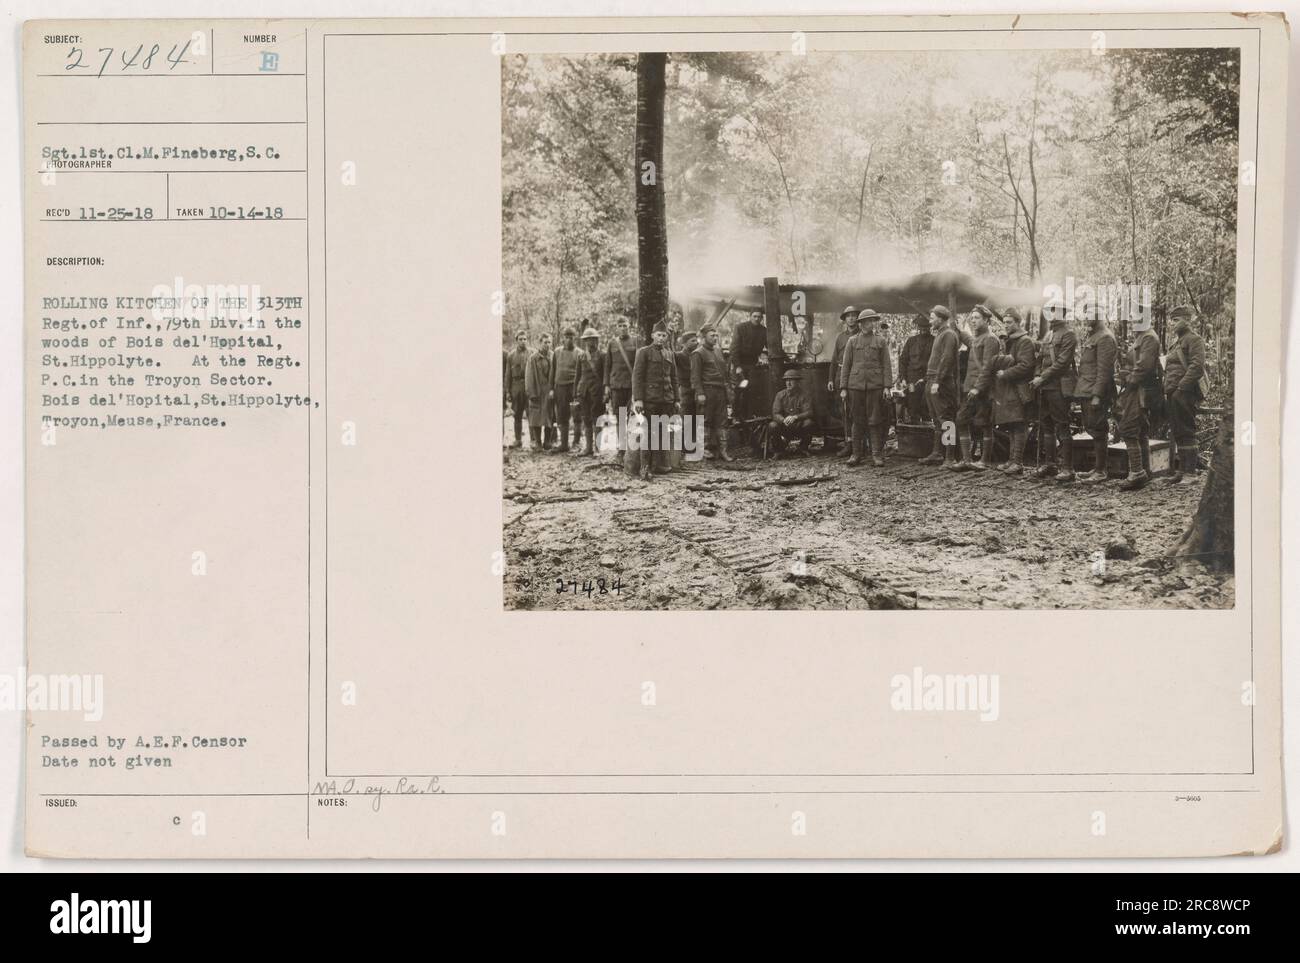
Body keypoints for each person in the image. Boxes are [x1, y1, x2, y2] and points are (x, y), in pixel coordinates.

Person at [1029, 303, 1079, 481]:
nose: (1053, 315)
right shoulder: (1048, 335)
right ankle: (1050, 464)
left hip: (1059, 387)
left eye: (1057, 311)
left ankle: (1067, 468)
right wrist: (1037, 376)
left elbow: (1062, 363)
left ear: (1063, 314)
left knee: (1062, 426)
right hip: (1044, 387)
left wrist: (1042, 378)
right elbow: (1040, 360)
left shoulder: (1069, 334)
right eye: (1051, 311)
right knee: (1046, 425)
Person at [1115, 312, 1164, 491]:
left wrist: (1129, 382)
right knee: (1141, 429)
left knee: (1128, 428)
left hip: (1140, 390)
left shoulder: (1149, 338)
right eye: (1134, 319)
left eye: (1139, 319)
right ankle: (1145, 471)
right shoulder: (1142, 337)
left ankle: (1136, 472)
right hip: (1138, 389)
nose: (1135, 322)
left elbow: (1144, 367)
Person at [839, 307, 892, 467]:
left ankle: (876, 455)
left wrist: (887, 386)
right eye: (868, 321)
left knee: (875, 420)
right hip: (855, 387)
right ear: (861, 324)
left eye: (872, 321)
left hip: (875, 386)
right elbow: (846, 366)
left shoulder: (880, 341)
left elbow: (886, 365)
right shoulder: (852, 341)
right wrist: (843, 387)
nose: (871, 324)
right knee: (857, 421)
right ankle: (856, 454)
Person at [988, 308, 1037, 474]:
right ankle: (1011, 460)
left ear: (1018, 323)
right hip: (1010, 389)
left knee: (1019, 425)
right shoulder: (1011, 341)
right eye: (1005, 323)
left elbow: (1026, 365)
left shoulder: (1024, 341)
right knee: (1011, 425)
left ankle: (1018, 462)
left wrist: (1005, 373)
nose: (1006, 325)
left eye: (1009, 322)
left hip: (1020, 389)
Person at [952, 306, 1002, 471]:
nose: (973, 321)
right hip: (970, 388)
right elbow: (970, 342)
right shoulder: (977, 338)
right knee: (961, 419)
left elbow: (988, 367)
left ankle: (985, 460)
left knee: (985, 423)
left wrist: (978, 388)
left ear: (986, 320)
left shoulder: (991, 339)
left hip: (982, 389)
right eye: (972, 318)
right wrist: (960, 330)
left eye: (977, 318)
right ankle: (967, 460)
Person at [631, 320, 680, 481]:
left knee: (662, 433)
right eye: (658, 335)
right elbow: (637, 377)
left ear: (667, 337)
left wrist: (677, 399)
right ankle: (645, 468)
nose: (661, 338)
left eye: (664, 335)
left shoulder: (669, 354)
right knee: (648, 434)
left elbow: (674, 378)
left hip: (666, 400)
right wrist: (638, 399)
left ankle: (658, 465)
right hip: (650, 400)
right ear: (652, 336)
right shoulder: (644, 352)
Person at [1163, 305, 1206, 482]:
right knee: (1178, 431)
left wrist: (1181, 388)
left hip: (1185, 392)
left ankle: (1190, 473)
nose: (1172, 324)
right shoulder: (1177, 342)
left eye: (1176, 320)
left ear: (1187, 320)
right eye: (1171, 320)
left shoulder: (1194, 340)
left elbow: (1197, 367)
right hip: (1174, 392)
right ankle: (1182, 471)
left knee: (1187, 430)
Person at [1074, 311, 1118, 482]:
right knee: (1092, 428)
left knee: (1098, 430)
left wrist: (1097, 395)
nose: (1086, 317)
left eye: (1090, 314)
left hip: (1095, 390)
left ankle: (1101, 471)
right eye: (1085, 314)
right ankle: (1098, 468)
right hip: (1087, 389)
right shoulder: (1094, 336)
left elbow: (1104, 371)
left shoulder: (1105, 337)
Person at [919, 305, 961, 467]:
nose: (930, 320)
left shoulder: (949, 334)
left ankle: (949, 457)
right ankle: (937, 453)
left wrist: (937, 381)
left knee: (946, 420)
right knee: (936, 420)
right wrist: (927, 379)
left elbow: (947, 360)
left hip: (942, 384)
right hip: (932, 380)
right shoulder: (940, 334)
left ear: (941, 318)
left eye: (932, 317)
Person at [692, 325, 733, 461]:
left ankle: (723, 451)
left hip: (720, 390)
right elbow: (695, 376)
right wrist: (700, 393)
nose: (715, 338)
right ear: (704, 337)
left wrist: (728, 389)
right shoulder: (698, 353)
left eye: (716, 335)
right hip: (707, 390)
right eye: (712, 336)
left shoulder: (718, 351)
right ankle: (704, 449)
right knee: (705, 420)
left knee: (722, 421)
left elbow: (725, 373)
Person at [603, 317, 638, 450]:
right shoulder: (612, 343)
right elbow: (607, 365)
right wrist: (606, 385)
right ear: (616, 328)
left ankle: (630, 445)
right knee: (619, 415)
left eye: (625, 325)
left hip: (631, 385)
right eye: (620, 326)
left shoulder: (635, 341)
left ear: (629, 326)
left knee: (631, 415)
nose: (623, 328)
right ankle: (621, 444)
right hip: (616, 385)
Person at [828, 306, 859, 455]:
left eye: (854, 316)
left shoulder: (862, 335)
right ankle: (849, 444)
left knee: (857, 411)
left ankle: (859, 444)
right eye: (849, 316)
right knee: (844, 412)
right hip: (841, 377)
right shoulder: (840, 337)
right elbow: (834, 360)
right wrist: (831, 379)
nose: (851, 318)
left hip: (857, 376)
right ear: (845, 319)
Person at [730, 309, 767, 421]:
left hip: (752, 364)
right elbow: (734, 348)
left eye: (759, 317)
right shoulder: (740, 327)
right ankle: (736, 415)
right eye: (754, 316)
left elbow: (770, 345)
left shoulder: (763, 331)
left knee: (751, 389)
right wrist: (737, 366)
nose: (757, 319)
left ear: (762, 318)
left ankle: (747, 415)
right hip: (740, 363)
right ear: (750, 316)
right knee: (740, 388)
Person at [550, 326, 582, 453]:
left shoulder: (579, 353)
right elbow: (553, 371)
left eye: (571, 337)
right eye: (566, 337)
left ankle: (577, 442)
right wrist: (551, 388)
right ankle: (564, 444)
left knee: (577, 415)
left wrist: (579, 390)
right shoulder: (557, 352)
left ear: (575, 338)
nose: (569, 340)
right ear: (563, 338)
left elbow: (582, 373)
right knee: (562, 416)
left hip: (574, 388)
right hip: (560, 388)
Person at [899, 314, 935, 423]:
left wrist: (926, 378)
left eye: (926, 326)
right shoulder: (911, 341)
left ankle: (927, 432)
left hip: (927, 379)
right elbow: (903, 361)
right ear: (918, 327)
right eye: (921, 326)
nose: (923, 329)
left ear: (930, 327)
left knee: (926, 407)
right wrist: (903, 378)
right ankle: (914, 432)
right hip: (912, 381)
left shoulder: (935, 341)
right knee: (912, 406)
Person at [574, 325, 604, 456]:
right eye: (587, 340)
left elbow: (605, 376)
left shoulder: (603, 355)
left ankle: (597, 448)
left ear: (597, 341)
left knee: (598, 419)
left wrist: (605, 392)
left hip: (597, 392)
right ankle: (588, 448)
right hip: (583, 392)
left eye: (593, 339)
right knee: (586, 419)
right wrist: (575, 392)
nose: (590, 342)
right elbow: (577, 375)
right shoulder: (581, 356)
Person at [771, 369, 814, 456]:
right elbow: (775, 413)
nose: (788, 383)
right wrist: (783, 420)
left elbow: (809, 412)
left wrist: (795, 417)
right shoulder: (780, 395)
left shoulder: (804, 395)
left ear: (798, 382)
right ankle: (779, 450)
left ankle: (803, 448)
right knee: (772, 425)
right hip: (784, 425)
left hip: (798, 425)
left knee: (809, 423)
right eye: (787, 380)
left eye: (791, 380)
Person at [524, 332, 554, 452]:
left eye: (549, 342)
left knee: (549, 416)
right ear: (540, 343)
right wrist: (531, 393)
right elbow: (529, 376)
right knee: (536, 416)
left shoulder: (553, 356)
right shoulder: (533, 358)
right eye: (545, 342)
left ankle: (547, 441)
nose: (547, 345)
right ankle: (538, 442)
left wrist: (553, 390)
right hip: (537, 390)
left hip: (549, 392)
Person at [504, 330, 529, 448]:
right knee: (517, 414)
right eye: (520, 339)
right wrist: (507, 391)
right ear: (516, 340)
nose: (523, 341)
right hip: (516, 386)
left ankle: (534, 440)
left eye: (524, 339)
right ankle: (518, 440)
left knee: (531, 413)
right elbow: (507, 374)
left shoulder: (532, 353)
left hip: (529, 386)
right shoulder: (511, 355)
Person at [675, 329, 699, 432]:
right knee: (686, 418)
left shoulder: (698, 355)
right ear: (684, 343)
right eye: (692, 341)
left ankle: (694, 445)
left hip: (697, 390)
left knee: (697, 419)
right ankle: (685, 446)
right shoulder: (679, 356)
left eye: (696, 340)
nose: (696, 343)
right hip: (686, 391)